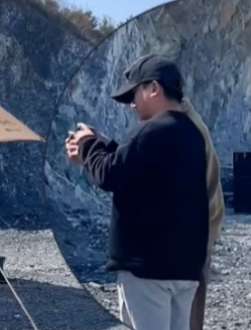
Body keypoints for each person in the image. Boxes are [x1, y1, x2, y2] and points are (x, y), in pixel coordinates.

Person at [65, 54, 209, 330]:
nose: (132, 104)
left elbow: (110, 174)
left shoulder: (152, 129)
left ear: (153, 88)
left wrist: (86, 146)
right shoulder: (191, 133)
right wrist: (103, 145)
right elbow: (140, 168)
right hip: (185, 267)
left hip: (148, 268)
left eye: (135, 93)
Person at [180, 98, 225, 330]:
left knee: (187, 306)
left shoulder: (185, 129)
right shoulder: (191, 123)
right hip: (203, 228)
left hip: (195, 231)